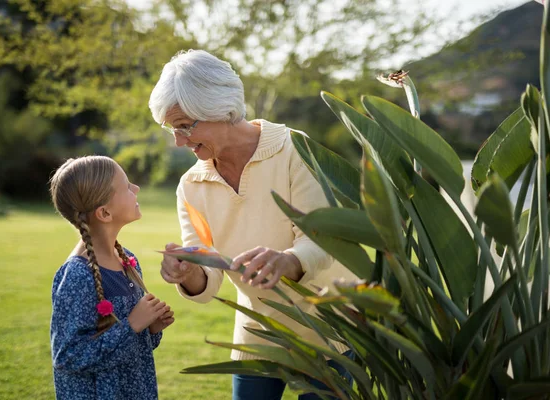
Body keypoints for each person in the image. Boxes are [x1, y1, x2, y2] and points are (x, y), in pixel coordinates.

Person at [149, 50, 355, 400]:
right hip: (257, 332)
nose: (178, 141)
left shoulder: (294, 149)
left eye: (185, 126)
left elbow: (323, 239)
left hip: (328, 327)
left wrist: (287, 261)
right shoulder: (191, 185)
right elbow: (208, 267)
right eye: (173, 129)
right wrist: (189, 272)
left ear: (220, 108)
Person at [49, 156, 174, 400]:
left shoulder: (127, 260)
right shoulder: (77, 275)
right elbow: (68, 357)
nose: (136, 189)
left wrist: (150, 330)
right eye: (127, 186)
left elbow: (125, 347)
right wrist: (132, 325)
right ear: (105, 212)